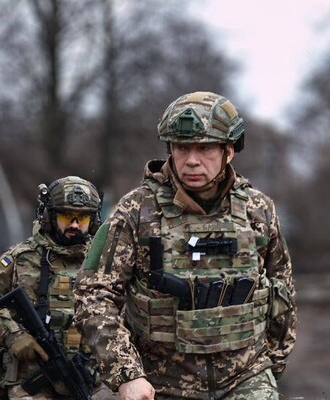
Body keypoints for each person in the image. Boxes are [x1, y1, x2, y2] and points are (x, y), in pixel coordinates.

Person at [73, 91, 297, 399]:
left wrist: (272, 365)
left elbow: (282, 289)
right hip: (161, 382)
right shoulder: (136, 211)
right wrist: (127, 374)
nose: (191, 160)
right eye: (182, 148)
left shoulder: (257, 210)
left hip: (246, 375)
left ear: (228, 151)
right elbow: (93, 295)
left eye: (204, 148)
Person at [0, 176, 102, 399]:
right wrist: (13, 335)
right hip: (29, 382)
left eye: (83, 217)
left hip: (89, 380)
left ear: (94, 221)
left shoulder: (103, 262)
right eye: (66, 216)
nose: (74, 224)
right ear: (49, 217)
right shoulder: (21, 258)